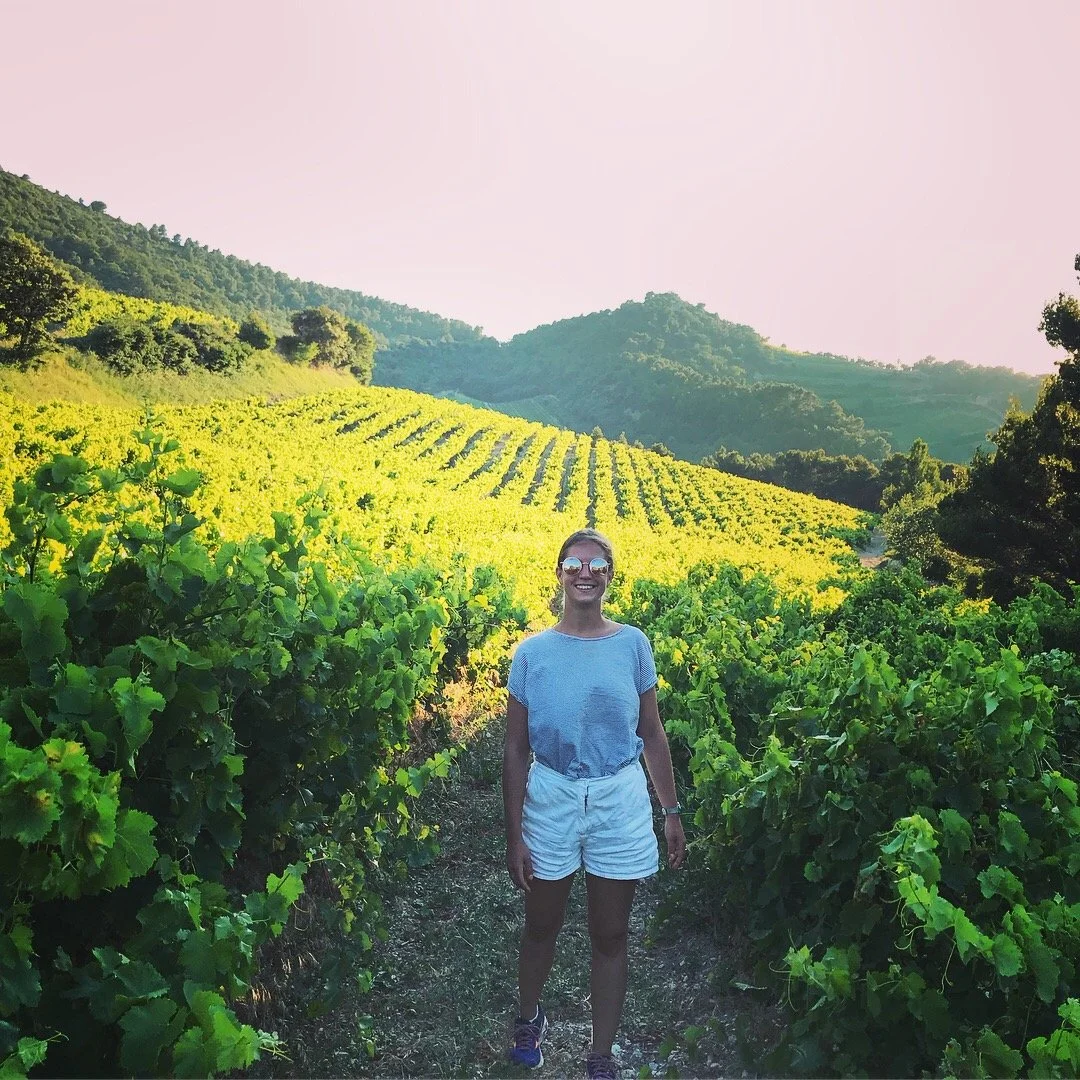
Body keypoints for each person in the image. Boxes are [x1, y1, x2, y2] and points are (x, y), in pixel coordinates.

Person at [502, 528, 687, 1080]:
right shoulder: (531, 654)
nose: (586, 572)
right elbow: (514, 749)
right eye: (574, 562)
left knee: (611, 934)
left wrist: (670, 812)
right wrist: (514, 836)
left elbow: (652, 734)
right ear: (559, 572)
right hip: (552, 796)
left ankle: (600, 1054)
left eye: (597, 564)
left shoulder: (632, 644)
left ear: (609, 574)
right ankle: (529, 1018)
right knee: (542, 924)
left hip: (618, 798)